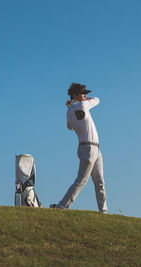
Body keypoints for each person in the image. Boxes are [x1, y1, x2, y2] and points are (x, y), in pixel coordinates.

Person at [51, 83, 107, 213]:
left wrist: (71, 105)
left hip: (92, 147)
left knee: (100, 182)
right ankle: (61, 206)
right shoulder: (83, 105)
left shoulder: (70, 111)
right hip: (88, 148)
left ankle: (104, 211)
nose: (85, 95)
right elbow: (97, 99)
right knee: (81, 181)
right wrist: (77, 104)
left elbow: (69, 127)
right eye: (83, 93)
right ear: (75, 95)